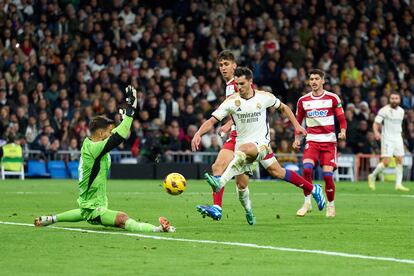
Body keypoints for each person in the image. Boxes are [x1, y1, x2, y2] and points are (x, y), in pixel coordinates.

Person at [34, 85, 175, 233]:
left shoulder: (92, 144)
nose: (111, 132)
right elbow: (119, 136)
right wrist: (130, 114)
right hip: (94, 208)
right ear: (101, 133)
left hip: (89, 205)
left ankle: (51, 219)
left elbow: (118, 132)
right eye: (109, 131)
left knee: (91, 214)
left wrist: (125, 119)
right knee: (122, 218)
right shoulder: (94, 149)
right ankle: (158, 229)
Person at [192, 67, 326, 220]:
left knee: (242, 152)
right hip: (241, 145)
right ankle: (313, 189)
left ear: (250, 82)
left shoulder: (264, 97)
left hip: (261, 143)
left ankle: (218, 197)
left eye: (242, 83)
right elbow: (211, 120)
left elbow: (284, 107)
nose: (239, 87)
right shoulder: (231, 102)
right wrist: (198, 133)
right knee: (266, 176)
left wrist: (296, 125)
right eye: (237, 84)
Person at [195, 50, 254, 224]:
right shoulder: (230, 85)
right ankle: (217, 208)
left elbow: (251, 102)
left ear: (234, 65)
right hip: (235, 136)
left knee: (242, 185)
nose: (223, 68)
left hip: (249, 136)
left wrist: (229, 122)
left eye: (226, 64)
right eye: (220, 65)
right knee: (217, 167)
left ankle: (248, 209)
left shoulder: (238, 83)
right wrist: (200, 132)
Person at [293, 69, 347, 218]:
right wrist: (297, 139)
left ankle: (331, 205)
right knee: (307, 169)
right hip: (312, 141)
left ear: (323, 80)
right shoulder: (303, 100)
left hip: (329, 142)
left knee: (327, 175)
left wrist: (342, 131)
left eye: (317, 79)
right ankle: (307, 203)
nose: (314, 82)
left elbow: (342, 119)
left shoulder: (332, 98)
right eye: (311, 79)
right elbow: (298, 122)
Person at [368, 92, 410, 192]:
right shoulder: (384, 110)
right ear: (389, 99)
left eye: (396, 98)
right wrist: (376, 132)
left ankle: (398, 184)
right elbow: (376, 123)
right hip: (387, 138)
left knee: (399, 159)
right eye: (392, 98)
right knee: (386, 162)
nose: (394, 100)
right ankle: (372, 176)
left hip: (398, 138)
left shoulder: (401, 111)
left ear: (399, 100)